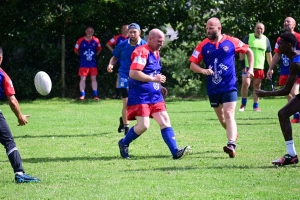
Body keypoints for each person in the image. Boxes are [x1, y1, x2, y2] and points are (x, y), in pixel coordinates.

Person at [117, 28, 191, 159]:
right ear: (150, 39)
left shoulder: (156, 52)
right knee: (143, 126)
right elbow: (133, 73)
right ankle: (123, 143)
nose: (161, 43)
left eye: (162, 41)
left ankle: (175, 152)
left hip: (155, 95)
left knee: (164, 121)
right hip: (140, 95)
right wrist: (154, 80)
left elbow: (152, 72)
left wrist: (159, 85)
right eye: (159, 41)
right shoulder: (142, 52)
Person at [189, 17, 254, 158]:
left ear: (219, 28)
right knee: (222, 118)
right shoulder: (203, 45)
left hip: (229, 85)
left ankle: (231, 144)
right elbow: (192, 64)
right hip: (213, 87)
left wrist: (251, 69)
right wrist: (203, 70)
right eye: (206, 28)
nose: (207, 31)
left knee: (229, 113)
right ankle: (233, 134)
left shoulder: (232, 41)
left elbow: (249, 51)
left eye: (210, 28)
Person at [256, 32, 299, 166]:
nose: (278, 46)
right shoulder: (295, 57)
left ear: (289, 45)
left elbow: (286, 90)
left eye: (280, 43)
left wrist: (264, 93)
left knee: (283, 114)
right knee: (283, 114)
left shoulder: (296, 63)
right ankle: (291, 155)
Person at [0, 47, 40, 183]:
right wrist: (20, 116)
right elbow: (12, 99)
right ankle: (19, 174)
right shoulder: (3, 75)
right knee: (9, 142)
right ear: (1, 58)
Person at [107, 23, 147, 135]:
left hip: (139, 76)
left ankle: (123, 119)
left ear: (139, 32)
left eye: (135, 32)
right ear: (127, 33)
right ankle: (126, 127)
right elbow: (114, 57)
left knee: (138, 102)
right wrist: (111, 64)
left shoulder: (145, 45)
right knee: (126, 102)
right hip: (124, 75)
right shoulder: (122, 45)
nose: (133, 34)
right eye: (130, 32)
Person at [266, 17, 300, 123]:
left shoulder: (298, 37)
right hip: (285, 68)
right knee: (288, 94)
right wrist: (270, 68)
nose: (285, 23)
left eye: (288, 21)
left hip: (297, 67)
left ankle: (297, 117)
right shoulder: (280, 39)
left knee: (294, 91)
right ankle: (296, 114)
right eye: (284, 21)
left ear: (294, 25)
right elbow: (277, 54)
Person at [239, 22, 272, 112]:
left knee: (257, 86)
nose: (259, 30)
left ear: (264, 30)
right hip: (247, 66)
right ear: (254, 28)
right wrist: (242, 64)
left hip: (259, 67)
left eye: (261, 29)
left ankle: (256, 105)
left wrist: (271, 67)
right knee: (246, 84)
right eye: (258, 28)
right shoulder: (248, 37)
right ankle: (243, 104)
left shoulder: (266, 40)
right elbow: (241, 51)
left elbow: (269, 55)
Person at [74, 26, 102, 100]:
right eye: (88, 31)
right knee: (82, 79)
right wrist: (82, 56)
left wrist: (94, 55)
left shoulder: (96, 40)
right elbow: (76, 50)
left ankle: (95, 95)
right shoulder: (80, 40)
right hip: (83, 63)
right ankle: (82, 95)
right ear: (85, 32)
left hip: (93, 63)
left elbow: (99, 50)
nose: (90, 33)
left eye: (91, 31)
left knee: (94, 78)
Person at [106, 24, 129, 100]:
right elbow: (108, 44)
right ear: (121, 29)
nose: (126, 30)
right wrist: (114, 51)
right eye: (124, 28)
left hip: (129, 61)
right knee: (119, 76)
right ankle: (118, 94)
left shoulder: (131, 38)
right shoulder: (117, 37)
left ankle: (128, 93)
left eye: (127, 28)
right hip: (119, 60)